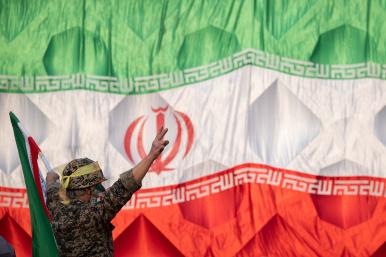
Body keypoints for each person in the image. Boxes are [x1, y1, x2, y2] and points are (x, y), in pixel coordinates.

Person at [45, 127, 169, 257]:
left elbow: (51, 186)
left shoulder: (56, 205)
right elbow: (125, 185)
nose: (100, 189)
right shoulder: (93, 213)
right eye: (96, 185)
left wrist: (51, 178)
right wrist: (152, 155)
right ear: (88, 189)